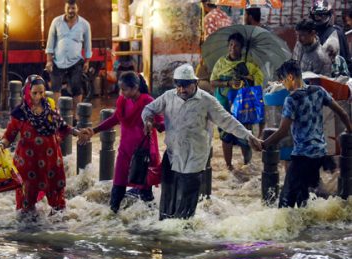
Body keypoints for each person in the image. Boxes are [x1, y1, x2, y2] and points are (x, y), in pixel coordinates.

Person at [142, 63, 262, 220]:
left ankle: (183, 233)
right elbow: (148, 109)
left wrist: (248, 136)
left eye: (186, 86)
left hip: (194, 157)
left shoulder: (207, 101)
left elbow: (227, 121)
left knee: (186, 202)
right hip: (172, 154)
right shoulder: (168, 97)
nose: (182, 90)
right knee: (167, 197)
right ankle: (165, 231)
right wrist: (148, 122)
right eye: (179, 86)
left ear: (195, 83)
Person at [262, 60, 352, 208]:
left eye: (283, 81)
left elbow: (283, 131)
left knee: (285, 204)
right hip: (320, 154)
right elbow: (342, 113)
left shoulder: (291, 100)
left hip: (302, 157)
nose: (284, 85)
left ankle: (293, 230)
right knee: (304, 198)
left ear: (290, 77)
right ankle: (307, 230)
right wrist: (349, 130)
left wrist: (264, 144)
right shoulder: (319, 91)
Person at [0, 75, 86, 213]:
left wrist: (78, 133)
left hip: (51, 162)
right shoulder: (20, 113)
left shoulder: (50, 107)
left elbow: (63, 126)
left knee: (58, 205)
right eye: (34, 93)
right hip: (29, 165)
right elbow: (9, 135)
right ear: (27, 91)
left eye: (41, 92)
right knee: (27, 206)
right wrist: (0, 146)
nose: (38, 96)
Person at [82, 72, 164, 213]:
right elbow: (115, 119)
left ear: (135, 88)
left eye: (124, 89)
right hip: (125, 151)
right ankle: (112, 218)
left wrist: (153, 124)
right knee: (118, 185)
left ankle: (151, 226)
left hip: (142, 154)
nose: (121, 92)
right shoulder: (122, 101)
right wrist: (94, 130)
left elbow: (163, 123)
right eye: (120, 89)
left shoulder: (148, 101)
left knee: (145, 193)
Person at [210, 32, 264, 171]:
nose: (233, 48)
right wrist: (228, 83)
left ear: (242, 48)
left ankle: (247, 165)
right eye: (231, 45)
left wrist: (247, 77)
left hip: (243, 107)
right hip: (224, 105)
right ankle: (229, 167)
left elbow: (258, 82)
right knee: (225, 135)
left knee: (245, 135)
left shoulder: (249, 63)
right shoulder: (221, 63)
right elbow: (213, 82)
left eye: (237, 45)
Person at [45, 0, 92, 113]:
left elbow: (87, 45)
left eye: (73, 8)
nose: (71, 11)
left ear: (77, 9)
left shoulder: (84, 24)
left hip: (76, 61)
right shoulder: (56, 22)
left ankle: (76, 115)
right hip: (57, 61)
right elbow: (50, 43)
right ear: (65, 9)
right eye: (69, 8)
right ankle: (56, 114)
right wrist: (49, 61)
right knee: (55, 87)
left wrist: (87, 61)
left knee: (76, 87)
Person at [310, 0, 351, 72]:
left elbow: (344, 59)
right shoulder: (313, 32)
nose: (319, 18)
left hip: (333, 76)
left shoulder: (336, 32)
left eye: (321, 15)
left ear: (328, 15)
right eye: (316, 16)